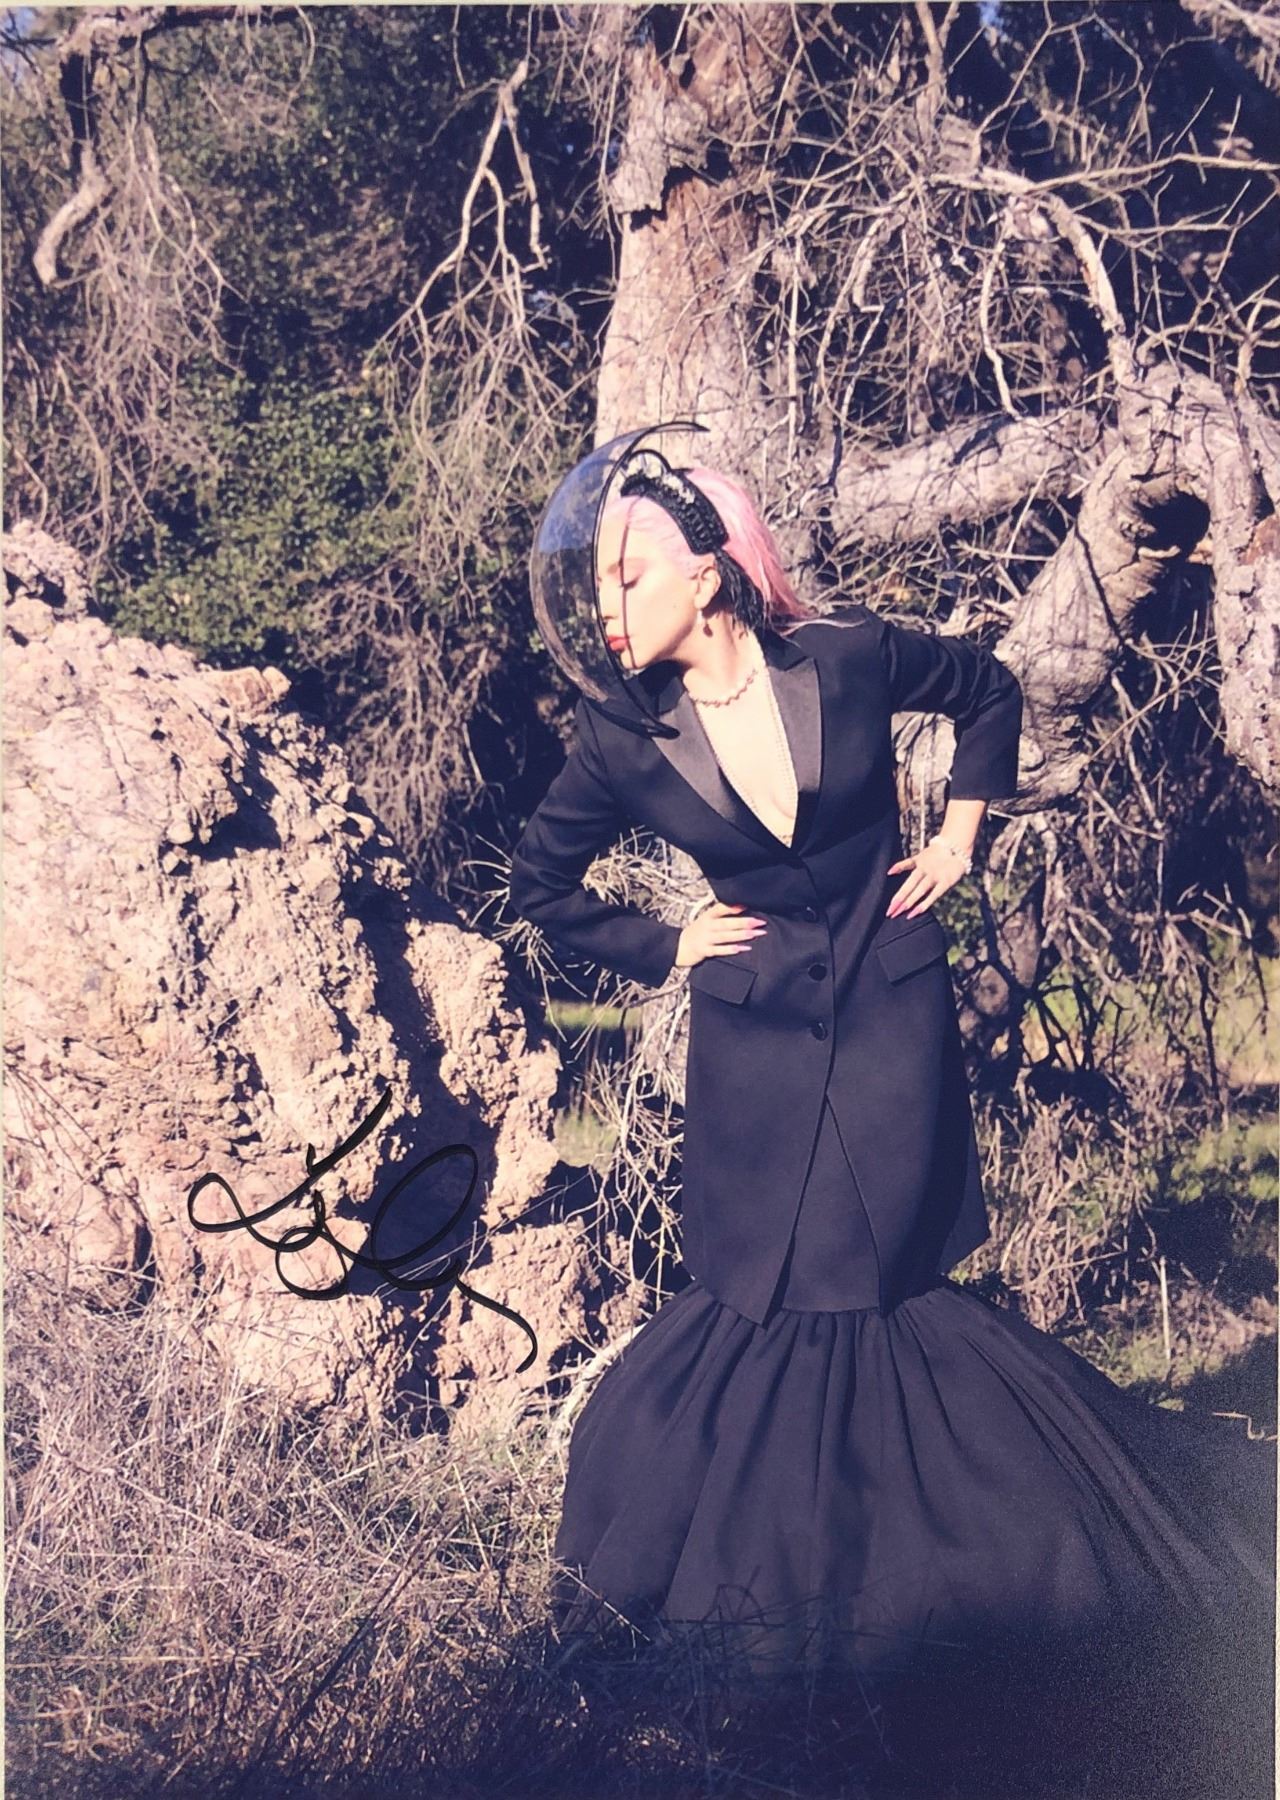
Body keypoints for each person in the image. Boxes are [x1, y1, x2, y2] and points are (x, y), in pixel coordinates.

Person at [508, 441, 1275, 1783]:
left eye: (628, 575)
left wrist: (964, 837)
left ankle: (921, 1583)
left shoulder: (846, 659)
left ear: (707, 575)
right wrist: (669, 945)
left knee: (876, 1290)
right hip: (751, 1052)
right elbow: (542, 882)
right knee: (766, 1293)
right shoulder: (620, 738)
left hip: (888, 1026)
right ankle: (775, 1589)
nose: (607, 605)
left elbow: (985, 689)